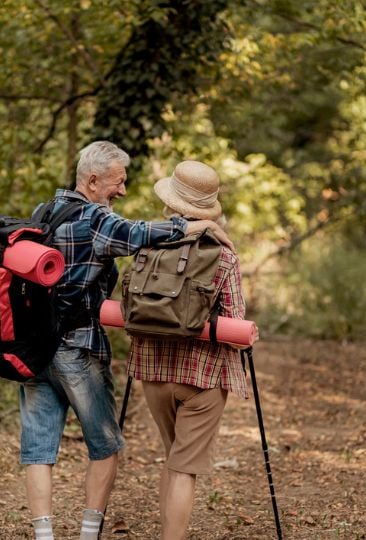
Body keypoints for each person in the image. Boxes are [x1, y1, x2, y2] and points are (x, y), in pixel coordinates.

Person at [21, 143, 233, 540]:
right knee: (104, 446)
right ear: (93, 180)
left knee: (38, 448)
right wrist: (196, 226)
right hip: (79, 348)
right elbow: (137, 234)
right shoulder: (94, 218)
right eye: (117, 182)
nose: (122, 190)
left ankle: (43, 536)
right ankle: (88, 535)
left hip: (33, 349)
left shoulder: (43, 212)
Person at [126, 160, 249, 540]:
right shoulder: (223, 255)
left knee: (173, 457)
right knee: (183, 467)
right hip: (203, 379)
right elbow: (234, 320)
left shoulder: (147, 243)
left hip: (153, 374)